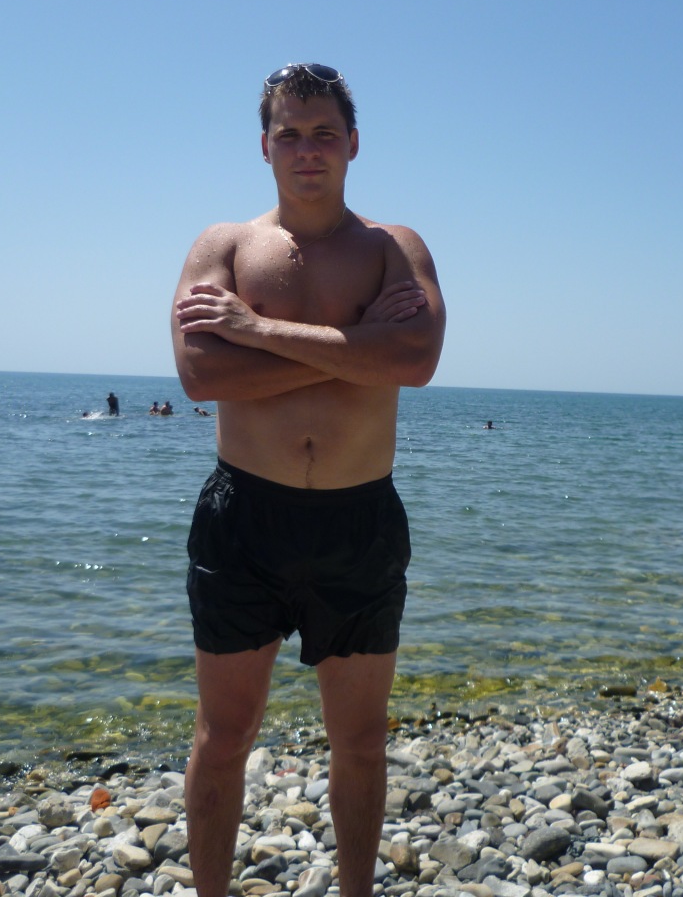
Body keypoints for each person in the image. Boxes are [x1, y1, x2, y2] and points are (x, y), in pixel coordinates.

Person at [171, 62, 445, 897]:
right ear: (265, 147)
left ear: (353, 143)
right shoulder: (223, 246)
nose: (307, 149)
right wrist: (355, 350)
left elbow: (417, 361)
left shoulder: (394, 248)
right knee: (224, 736)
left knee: (360, 741)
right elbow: (202, 376)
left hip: (359, 522)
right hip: (243, 519)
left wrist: (256, 330)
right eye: (288, 134)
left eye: (324, 133)